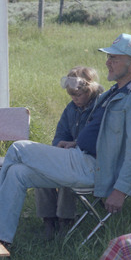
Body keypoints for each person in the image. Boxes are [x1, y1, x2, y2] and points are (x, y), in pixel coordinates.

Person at [0, 34, 131, 245]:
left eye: (114, 58)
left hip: (93, 168)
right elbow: (104, 136)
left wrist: (120, 190)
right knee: (17, 172)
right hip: (80, 157)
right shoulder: (115, 92)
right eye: (109, 57)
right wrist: (75, 143)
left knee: (18, 148)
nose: (107, 63)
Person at [34, 66, 104, 239]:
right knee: (40, 169)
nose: (74, 99)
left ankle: (65, 219)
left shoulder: (101, 106)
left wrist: (74, 144)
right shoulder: (71, 109)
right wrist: (59, 145)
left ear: (91, 90)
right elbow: (60, 134)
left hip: (93, 161)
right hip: (72, 156)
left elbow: (100, 141)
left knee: (66, 172)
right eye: (71, 95)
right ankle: (48, 219)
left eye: (78, 95)